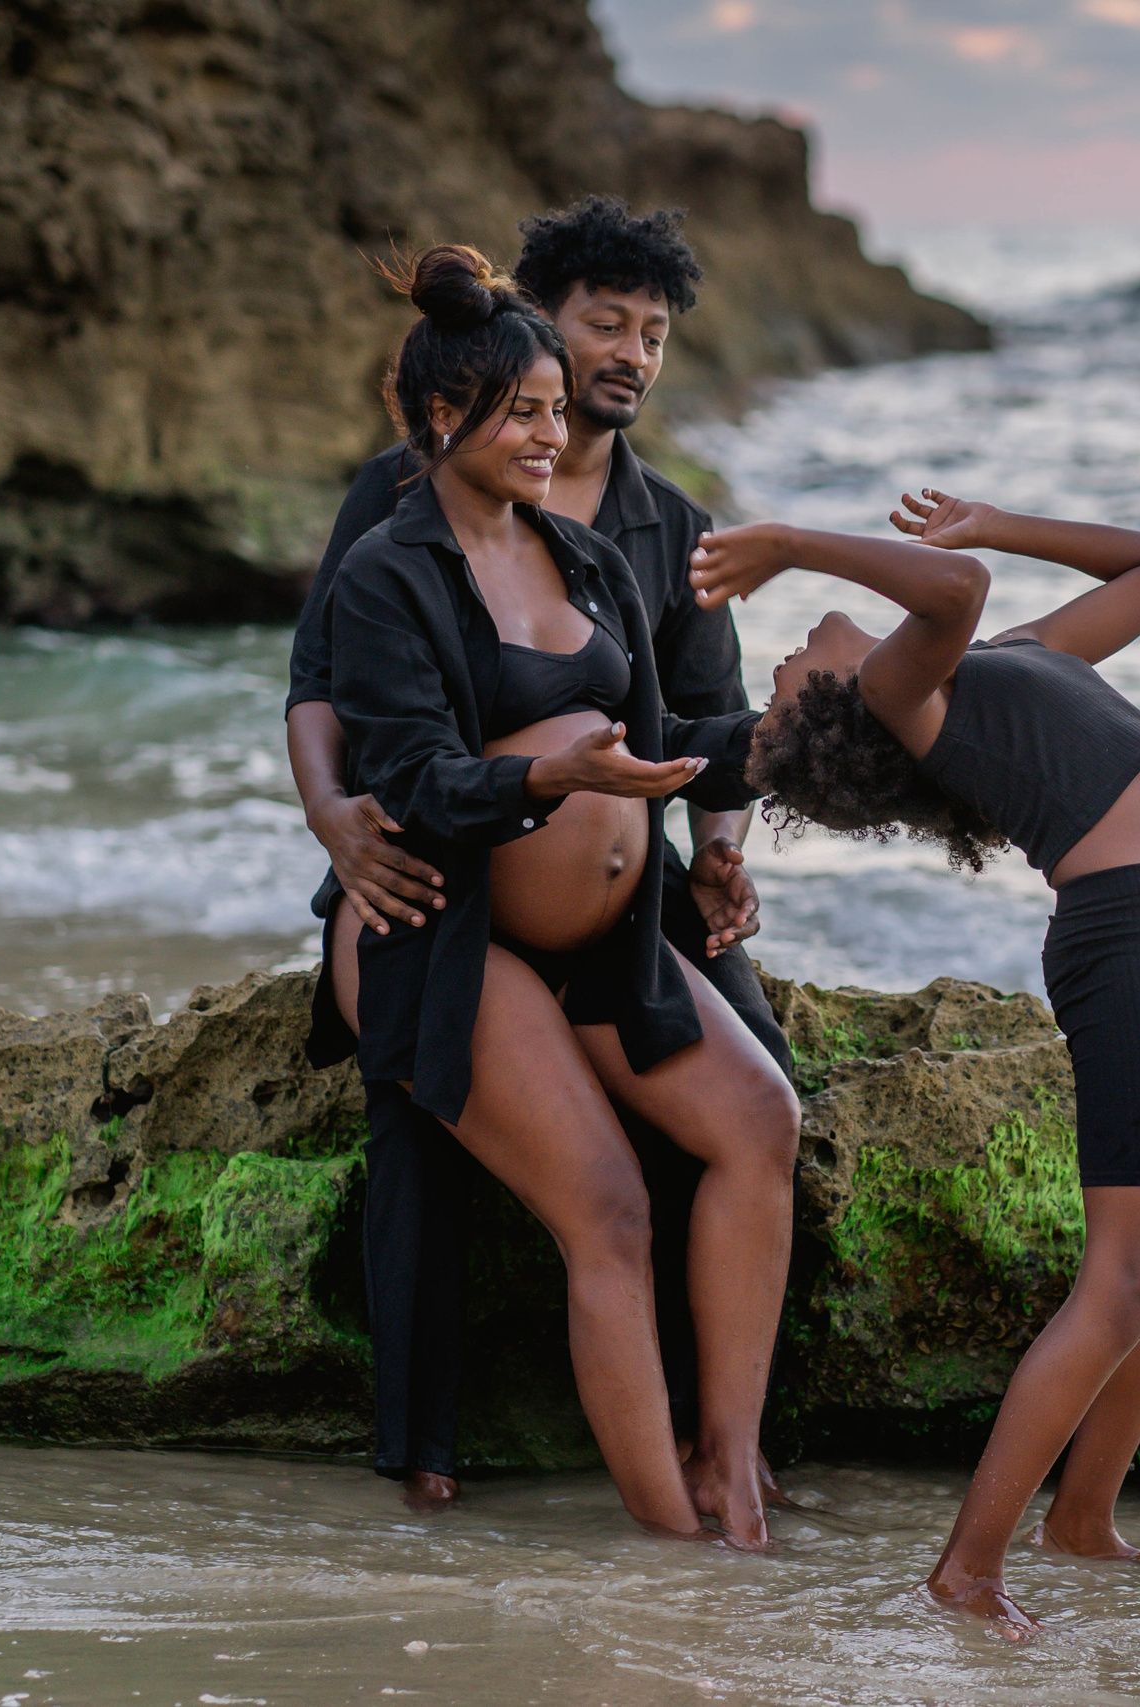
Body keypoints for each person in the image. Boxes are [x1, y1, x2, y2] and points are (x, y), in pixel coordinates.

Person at [285, 198, 791, 1514]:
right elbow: (356, 718)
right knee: (486, 1152)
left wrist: (796, 750)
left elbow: (675, 728)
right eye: (545, 389)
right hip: (443, 904)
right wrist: (336, 816)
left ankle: (735, 1453)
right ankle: (436, 1449)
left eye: (649, 336)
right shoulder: (396, 541)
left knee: (763, 1105)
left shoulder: (622, 539)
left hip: (615, 927)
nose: (560, 422)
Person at [689, 490, 1140, 1629]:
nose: (791, 652)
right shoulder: (910, 696)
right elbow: (949, 596)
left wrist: (995, 521)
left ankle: (1083, 1520)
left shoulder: (1008, 664)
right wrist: (795, 545)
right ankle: (967, 1570)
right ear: (839, 711)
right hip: (1132, 937)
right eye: (781, 681)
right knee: (1130, 1278)